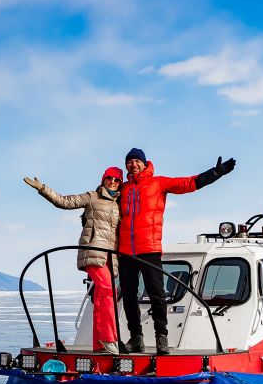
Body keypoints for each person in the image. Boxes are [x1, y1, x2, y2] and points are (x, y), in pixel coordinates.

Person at [118, 147, 236, 355]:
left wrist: (215, 173)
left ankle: (161, 338)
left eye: (137, 161)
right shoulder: (123, 188)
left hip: (149, 248)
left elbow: (188, 183)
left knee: (157, 294)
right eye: (130, 162)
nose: (133, 164)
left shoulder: (158, 183)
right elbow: (103, 205)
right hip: (126, 250)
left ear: (145, 164)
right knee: (128, 296)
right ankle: (136, 338)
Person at [23, 168, 123, 354]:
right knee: (107, 289)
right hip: (92, 251)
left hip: (110, 256)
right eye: (109, 178)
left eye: (117, 179)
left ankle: (99, 344)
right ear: (103, 180)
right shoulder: (92, 197)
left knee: (103, 295)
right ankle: (109, 338)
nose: (112, 181)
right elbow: (64, 202)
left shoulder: (120, 204)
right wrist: (42, 188)